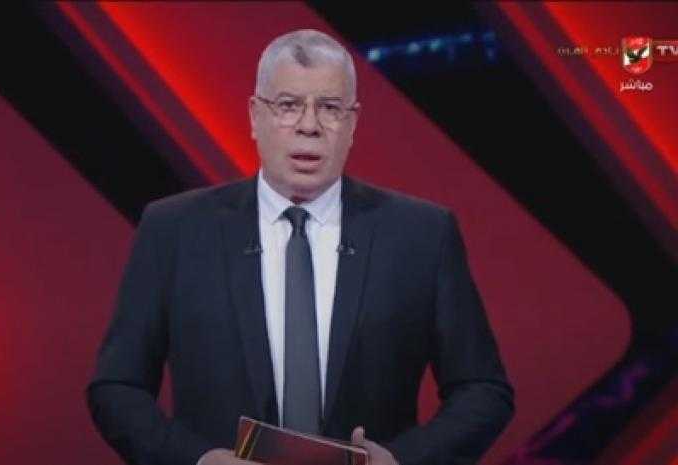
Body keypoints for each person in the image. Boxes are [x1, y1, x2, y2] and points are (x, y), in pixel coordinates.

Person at [87, 29, 514, 465]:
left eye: (329, 108)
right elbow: (117, 387)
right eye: (288, 105)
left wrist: (401, 460)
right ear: (255, 116)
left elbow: (483, 391)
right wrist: (196, 459)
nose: (309, 126)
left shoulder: (422, 234)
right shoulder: (174, 229)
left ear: (352, 122)